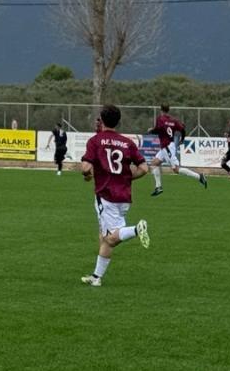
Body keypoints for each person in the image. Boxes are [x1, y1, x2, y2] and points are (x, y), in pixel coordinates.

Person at [80, 105, 150, 287]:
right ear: (118, 122)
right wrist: (126, 177)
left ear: (102, 120)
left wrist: (87, 175)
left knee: (111, 238)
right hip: (124, 197)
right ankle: (96, 277)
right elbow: (144, 168)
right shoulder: (127, 143)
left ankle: (137, 229)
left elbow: (85, 167)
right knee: (104, 238)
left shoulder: (95, 141)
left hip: (106, 195)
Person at [147, 103, 207, 196]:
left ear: (161, 109)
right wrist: (182, 139)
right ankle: (158, 187)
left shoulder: (160, 119)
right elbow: (182, 129)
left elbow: (158, 129)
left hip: (167, 147)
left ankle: (199, 177)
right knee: (154, 163)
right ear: (168, 110)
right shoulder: (173, 120)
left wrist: (151, 130)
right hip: (167, 146)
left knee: (176, 169)